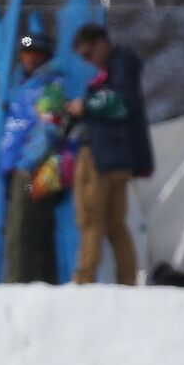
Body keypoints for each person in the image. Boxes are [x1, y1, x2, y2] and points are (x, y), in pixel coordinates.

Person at [66, 23, 153, 285]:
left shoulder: (121, 64)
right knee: (116, 224)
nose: (88, 61)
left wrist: (85, 106)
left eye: (88, 54)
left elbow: (122, 103)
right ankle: (127, 281)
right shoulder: (120, 68)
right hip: (118, 157)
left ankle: (84, 280)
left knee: (91, 218)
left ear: (102, 43)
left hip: (102, 156)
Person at [0, 32, 67, 285]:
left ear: (45, 57)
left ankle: (18, 285)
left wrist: (28, 163)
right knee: (35, 228)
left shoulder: (50, 86)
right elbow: (14, 108)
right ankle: (43, 283)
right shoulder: (24, 85)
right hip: (20, 168)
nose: (29, 60)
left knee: (21, 227)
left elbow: (48, 128)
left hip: (34, 171)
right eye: (25, 54)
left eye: (35, 55)